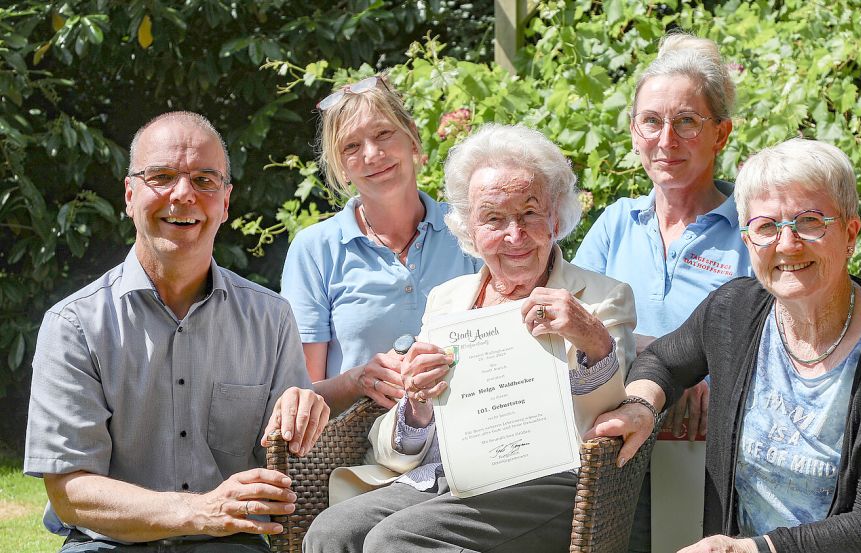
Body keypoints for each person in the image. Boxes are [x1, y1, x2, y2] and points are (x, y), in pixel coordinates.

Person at [589, 138, 861, 553]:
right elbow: (665, 359)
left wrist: (752, 549)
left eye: (809, 222)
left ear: (850, 232)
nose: (787, 244)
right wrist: (642, 406)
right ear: (748, 241)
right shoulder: (734, 311)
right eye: (767, 227)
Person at [302, 124, 637, 553]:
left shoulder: (601, 297)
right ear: (471, 230)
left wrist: (592, 338)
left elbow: (609, 413)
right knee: (332, 531)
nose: (514, 236)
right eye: (493, 219)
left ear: (555, 215)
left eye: (530, 213)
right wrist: (418, 405)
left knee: (396, 541)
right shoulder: (448, 301)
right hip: (444, 479)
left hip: (547, 482)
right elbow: (394, 443)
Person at [23, 111, 330, 552]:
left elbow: (292, 469)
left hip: (231, 543)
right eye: (162, 176)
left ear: (225, 203)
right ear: (130, 194)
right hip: (109, 544)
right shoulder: (74, 325)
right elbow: (70, 492)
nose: (183, 194)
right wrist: (199, 511)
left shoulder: (271, 319)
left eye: (205, 180)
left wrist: (305, 416)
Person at [571, 31, 753, 549]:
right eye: (651, 121)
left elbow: (774, 343)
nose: (666, 140)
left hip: (713, 453)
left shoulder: (751, 228)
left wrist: (709, 376)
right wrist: (680, 364)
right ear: (633, 132)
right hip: (615, 449)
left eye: (687, 122)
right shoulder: (615, 223)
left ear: (721, 134)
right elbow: (577, 330)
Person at [280, 74, 480, 413]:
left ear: (413, 138)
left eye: (383, 134)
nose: (372, 154)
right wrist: (358, 380)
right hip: (357, 456)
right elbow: (300, 396)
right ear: (341, 167)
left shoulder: (467, 229)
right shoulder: (314, 250)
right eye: (351, 146)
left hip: (468, 435)